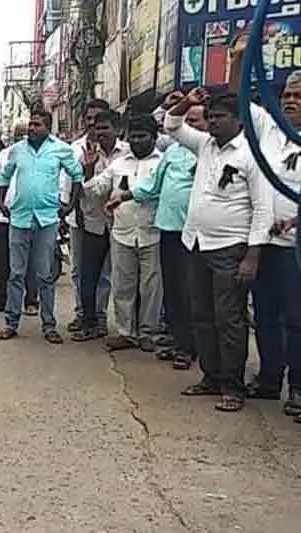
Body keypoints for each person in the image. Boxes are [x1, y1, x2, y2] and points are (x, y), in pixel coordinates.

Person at [164, 88, 275, 412]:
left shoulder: (251, 154)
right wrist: (188, 102)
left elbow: (263, 209)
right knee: (202, 315)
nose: (212, 122)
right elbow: (172, 124)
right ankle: (210, 377)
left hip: (231, 248)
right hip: (197, 243)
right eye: (209, 116)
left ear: (238, 120)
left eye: (219, 117)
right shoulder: (205, 145)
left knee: (230, 320)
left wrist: (253, 256)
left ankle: (233, 386)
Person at [110, 98, 205, 370]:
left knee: (194, 293)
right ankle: (180, 343)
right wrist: (123, 197)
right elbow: (153, 186)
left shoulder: (209, 152)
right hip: (169, 229)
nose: (189, 126)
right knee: (174, 291)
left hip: (199, 233)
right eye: (187, 121)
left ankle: (195, 347)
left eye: (195, 121)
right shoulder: (174, 153)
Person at [0, 108, 84, 343]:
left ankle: (49, 324)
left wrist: (71, 205)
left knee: (44, 274)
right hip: (19, 217)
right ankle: (11, 322)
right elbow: (4, 176)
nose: (31, 128)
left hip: (47, 219)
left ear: (48, 127)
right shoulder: (17, 150)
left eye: (37, 125)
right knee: (16, 273)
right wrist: (3, 201)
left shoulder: (60, 149)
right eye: (30, 124)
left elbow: (77, 175)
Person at [245, 72, 301, 412]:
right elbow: (240, 97)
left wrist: (295, 220)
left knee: (296, 318)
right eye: (288, 95)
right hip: (262, 241)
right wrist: (238, 57)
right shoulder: (268, 130)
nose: (291, 101)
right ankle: (269, 379)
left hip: (295, 245)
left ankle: (297, 386)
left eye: (299, 96)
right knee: (264, 315)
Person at [83, 114, 163, 351]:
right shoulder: (119, 165)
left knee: (151, 287)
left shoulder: (162, 163)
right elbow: (96, 190)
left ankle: (148, 332)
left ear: (154, 138)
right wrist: (88, 170)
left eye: (142, 136)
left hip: (153, 232)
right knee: (122, 285)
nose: (137, 141)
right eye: (134, 136)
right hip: (122, 233)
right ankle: (126, 332)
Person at [69, 109, 128, 341]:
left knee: (121, 278)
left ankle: (127, 329)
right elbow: (82, 189)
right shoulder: (85, 155)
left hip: (123, 223)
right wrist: (89, 167)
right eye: (97, 128)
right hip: (93, 221)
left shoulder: (128, 152)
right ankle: (89, 321)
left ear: (117, 129)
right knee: (87, 275)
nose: (100, 132)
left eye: (105, 128)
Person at [63, 98, 112, 335]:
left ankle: (99, 316)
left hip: (109, 220)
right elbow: (69, 184)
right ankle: (82, 313)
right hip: (79, 217)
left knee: (104, 273)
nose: (93, 124)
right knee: (78, 270)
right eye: (89, 119)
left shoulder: (118, 150)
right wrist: (67, 210)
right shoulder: (74, 149)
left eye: (99, 119)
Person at [0, 124, 38, 314]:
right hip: (4, 216)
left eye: (23, 134)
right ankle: (0, 300)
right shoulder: (4, 155)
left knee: (30, 261)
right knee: (2, 261)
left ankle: (31, 301)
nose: (21, 138)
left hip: (28, 215)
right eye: (17, 135)